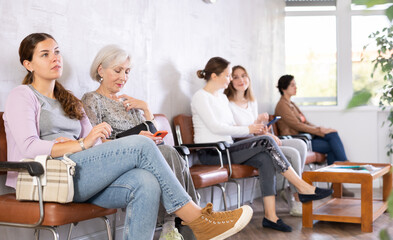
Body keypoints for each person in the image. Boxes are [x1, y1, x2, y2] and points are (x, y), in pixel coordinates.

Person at [4, 33, 253, 240]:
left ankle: (194, 220)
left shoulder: (69, 99)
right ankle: (197, 220)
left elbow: (96, 144)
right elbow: (28, 147)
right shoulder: (22, 95)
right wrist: (79, 143)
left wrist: (90, 141)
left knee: (146, 181)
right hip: (47, 178)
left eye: (57, 52)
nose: (55, 58)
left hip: (81, 173)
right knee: (141, 145)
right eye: (45, 54)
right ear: (28, 64)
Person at [191, 57, 333, 233]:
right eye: (228, 75)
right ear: (214, 76)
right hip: (213, 152)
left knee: (265, 158)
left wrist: (253, 127)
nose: (229, 79)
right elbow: (215, 127)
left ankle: (271, 217)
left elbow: (231, 127)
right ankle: (303, 188)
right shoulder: (200, 97)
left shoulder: (220, 98)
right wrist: (250, 128)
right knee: (267, 141)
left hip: (227, 148)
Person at [81, 44, 198, 240]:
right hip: (114, 163)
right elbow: (95, 143)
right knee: (169, 153)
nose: (123, 77)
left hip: (146, 159)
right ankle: (182, 224)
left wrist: (147, 110)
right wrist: (133, 139)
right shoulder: (92, 99)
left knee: (169, 153)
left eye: (127, 72)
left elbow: (156, 140)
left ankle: (177, 227)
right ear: (100, 69)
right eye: (117, 71)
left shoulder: (128, 102)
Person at [224, 65, 307, 217]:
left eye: (243, 75)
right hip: (246, 146)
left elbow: (254, 129)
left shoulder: (251, 102)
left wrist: (263, 127)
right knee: (293, 153)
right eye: (235, 77)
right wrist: (265, 136)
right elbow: (235, 131)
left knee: (300, 144)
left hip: (258, 140)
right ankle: (297, 197)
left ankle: (290, 189)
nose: (241, 80)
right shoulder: (227, 104)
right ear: (229, 80)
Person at [274, 74, 354, 197]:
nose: (296, 87)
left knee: (332, 135)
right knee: (332, 142)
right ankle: (342, 172)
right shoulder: (282, 105)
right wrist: (319, 131)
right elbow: (297, 125)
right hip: (296, 140)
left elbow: (304, 122)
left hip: (305, 137)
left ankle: (338, 182)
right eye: (292, 85)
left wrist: (321, 128)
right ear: (284, 88)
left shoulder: (292, 104)